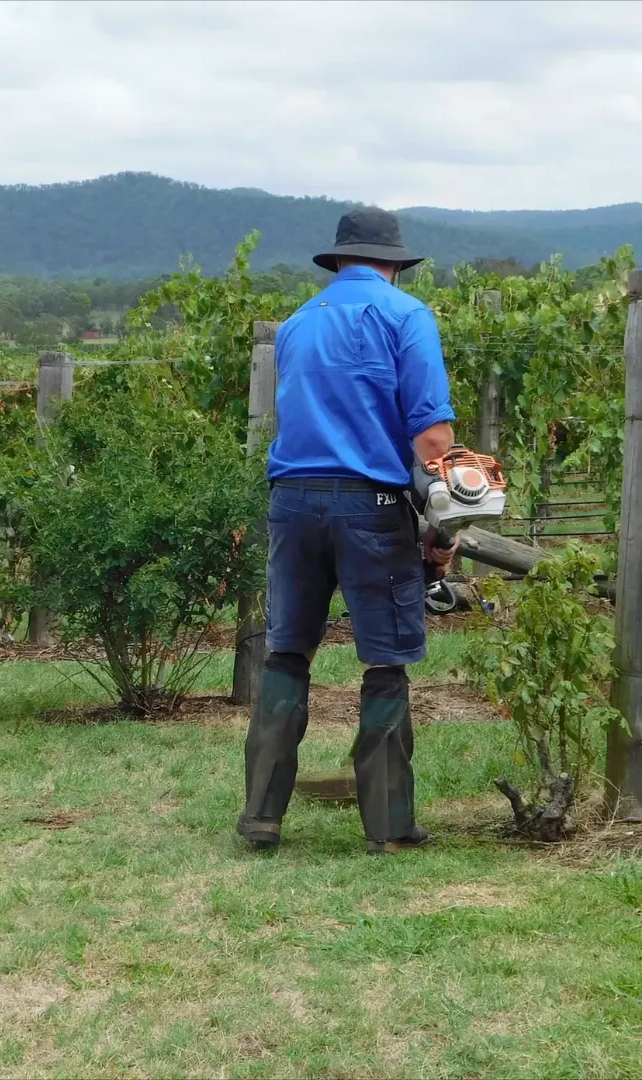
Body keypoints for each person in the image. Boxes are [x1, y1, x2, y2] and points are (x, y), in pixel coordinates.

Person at [238, 207, 458, 856]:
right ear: (395, 266)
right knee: (385, 659)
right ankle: (388, 827)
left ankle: (261, 817)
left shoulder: (296, 325)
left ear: (338, 262)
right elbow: (432, 438)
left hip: (292, 502)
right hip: (373, 503)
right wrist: (442, 530)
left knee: (286, 653)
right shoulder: (407, 317)